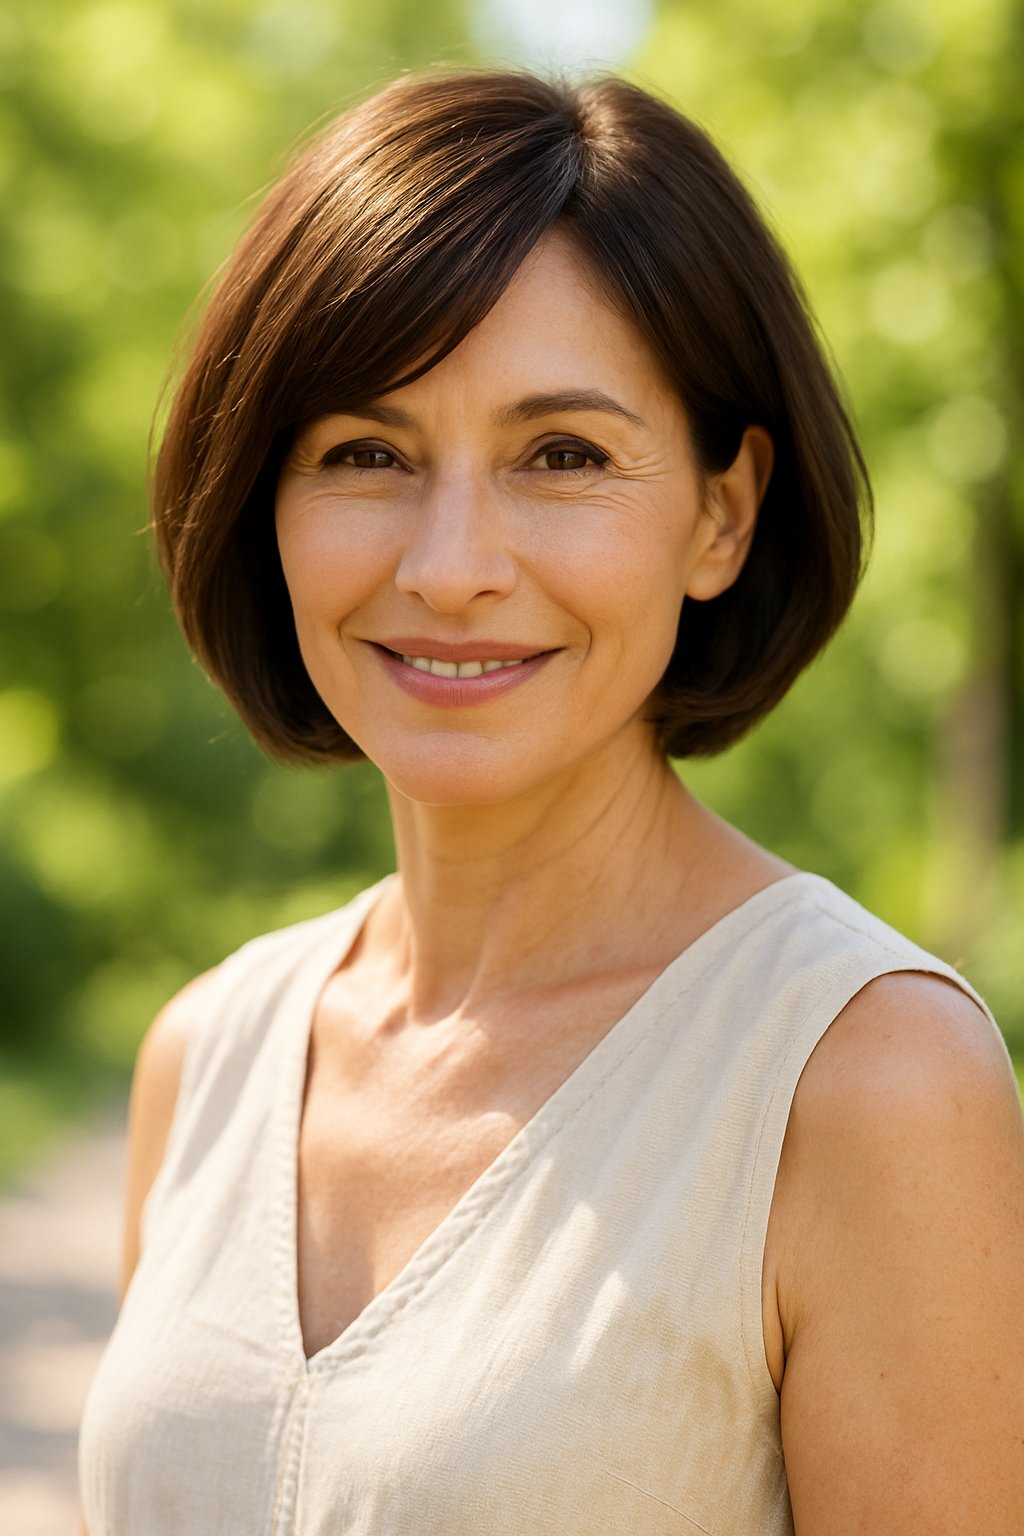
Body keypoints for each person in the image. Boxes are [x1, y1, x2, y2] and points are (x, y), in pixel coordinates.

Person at [78, 69, 1024, 1535]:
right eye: (366, 454)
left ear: (722, 512)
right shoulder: (204, 1054)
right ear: (266, 502)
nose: (451, 563)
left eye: (563, 456)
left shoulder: (868, 1081)